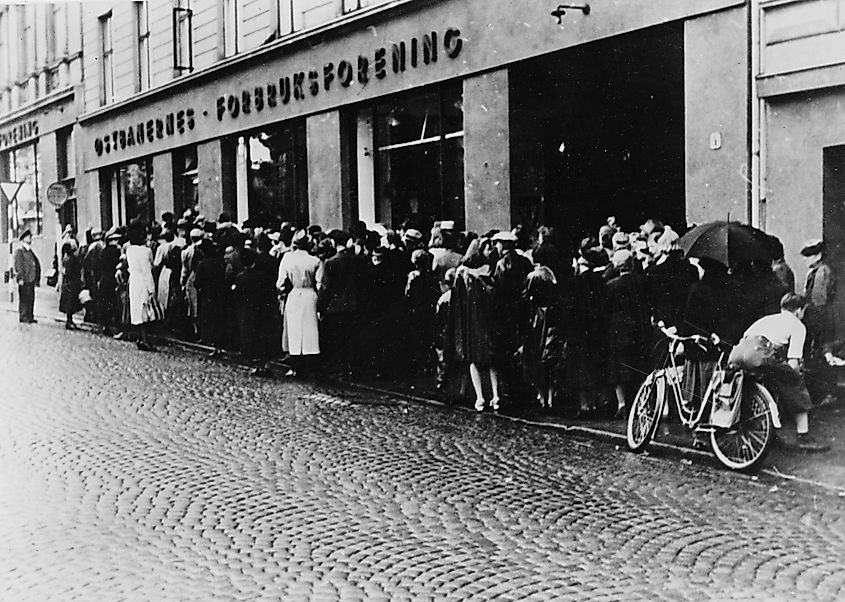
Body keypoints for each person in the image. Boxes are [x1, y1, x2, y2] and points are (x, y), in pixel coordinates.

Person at [739, 293, 829, 452]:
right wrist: (796, 374)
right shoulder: (797, 326)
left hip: (739, 353)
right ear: (800, 310)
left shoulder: (768, 319)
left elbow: (746, 336)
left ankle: (768, 432)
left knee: (768, 382)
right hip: (759, 354)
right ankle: (803, 435)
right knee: (794, 380)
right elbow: (793, 362)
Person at [451, 238, 502, 412]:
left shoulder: (463, 274)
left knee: (475, 360)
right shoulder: (488, 272)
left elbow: (457, 302)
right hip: (485, 321)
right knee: (490, 360)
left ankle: (482, 397)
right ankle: (493, 396)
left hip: (471, 322)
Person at [604, 250, 651, 417]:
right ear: (631, 264)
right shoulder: (643, 282)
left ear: (617, 266)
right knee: (640, 367)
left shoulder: (611, 286)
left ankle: (622, 403)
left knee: (617, 368)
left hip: (617, 331)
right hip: (639, 328)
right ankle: (642, 403)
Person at [277, 230, 321, 377]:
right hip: (310, 295)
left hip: (295, 295)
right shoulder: (315, 261)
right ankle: (310, 365)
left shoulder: (287, 259)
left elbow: (280, 283)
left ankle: (295, 365)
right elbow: (320, 284)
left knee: (294, 331)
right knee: (310, 331)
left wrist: (283, 291)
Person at [317, 230, 361, 377]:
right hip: (353, 304)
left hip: (335, 306)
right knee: (350, 338)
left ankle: (340, 368)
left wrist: (320, 306)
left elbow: (326, 287)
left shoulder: (331, 262)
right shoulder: (355, 260)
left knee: (337, 339)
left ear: (334, 243)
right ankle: (351, 367)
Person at [800, 239, 838, 407]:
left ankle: (825, 394)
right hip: (818, 317)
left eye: (809, 255)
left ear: (818, 255)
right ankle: (823, 392)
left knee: (821, 353)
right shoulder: (816, 271)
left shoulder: (822, 272)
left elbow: (818, 301)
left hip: (819, 318)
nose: (806, 259)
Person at [233, 249, 277, 376]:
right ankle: (266, 364)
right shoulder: (264, 277)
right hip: (264, 311)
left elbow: (238, 297)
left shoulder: (240, 278)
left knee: (252, 338)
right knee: (264, 337)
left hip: (248, 311)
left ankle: (256, 365)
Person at [125, 224, 158, 351]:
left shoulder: (129, 250)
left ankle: (140, 337)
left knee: (137, 310)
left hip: (134, 280)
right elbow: (147, 271)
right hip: (143, 281)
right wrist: (151, 288)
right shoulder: (145, 251)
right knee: (146, 310)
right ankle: (145, 340)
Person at [12, 230, 40, 324]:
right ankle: (24, 316)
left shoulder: (30, 251)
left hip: (31, 279)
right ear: (23, 239)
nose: (30, 239)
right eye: (28, 237)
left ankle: (30, 316)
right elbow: (18, 266)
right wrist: (20, 278)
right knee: (24, 298)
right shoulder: (20, 251)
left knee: (31, 298)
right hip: (24, 279)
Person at [98, 228, 122, 335]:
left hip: (104, 280)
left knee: (105, 304)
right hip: (113, 280)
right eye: (115, 239)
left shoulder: (103, 251)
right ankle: (117, 326)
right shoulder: (116, 251)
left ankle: (106, 326)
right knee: (115, 303)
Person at [81, 229, 105, 323]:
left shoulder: (89, 247)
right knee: (97, 297)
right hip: (96, 275)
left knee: (92, 297)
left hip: (91, 276)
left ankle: (91, 316)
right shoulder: (100, 246)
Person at [59, 242, 83, 330]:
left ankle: (69, 320)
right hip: (72, 283)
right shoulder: (72, 259)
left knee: (70, 303)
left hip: (68, 283)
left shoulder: (66, 259)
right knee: (70, 303)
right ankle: (69, 321)